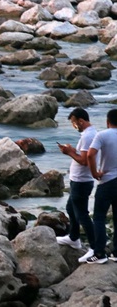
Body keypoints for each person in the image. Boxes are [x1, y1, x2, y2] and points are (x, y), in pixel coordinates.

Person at [57, 108, 97, 263]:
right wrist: (73, 150)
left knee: (82, 214)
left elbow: (85, 161)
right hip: (78, 180)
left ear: (81, 121)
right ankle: (74, 238)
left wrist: (69, 153)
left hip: (82, 181)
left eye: (74, 123)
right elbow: (83, 156)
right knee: (70, 208)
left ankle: (94, 248)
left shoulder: (88, 136)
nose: (74, 126)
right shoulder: (89, 135)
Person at [87, 109, 117, 264]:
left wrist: (94, 173)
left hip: (107, 181)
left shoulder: (102, 135)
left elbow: (90, 154)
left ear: (107, 121)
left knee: (99, 217)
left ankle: (99, 253)